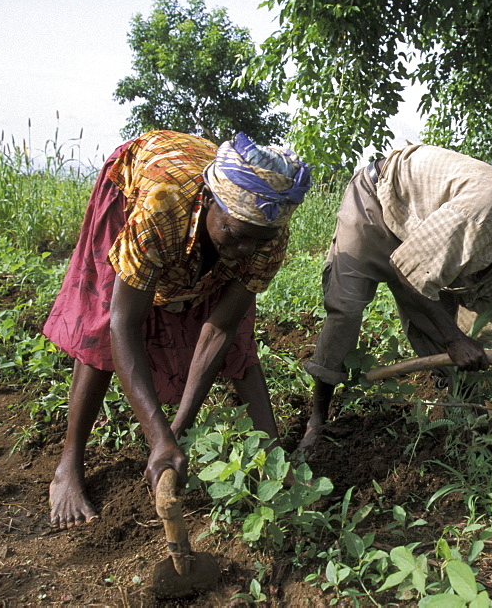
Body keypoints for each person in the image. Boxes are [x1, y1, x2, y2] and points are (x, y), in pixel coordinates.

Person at [44, 130, 310, 529]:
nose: (244, 252)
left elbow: (220, 330)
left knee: (239, 340)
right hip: (137, 184)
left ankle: (275, 459)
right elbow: (124, 323)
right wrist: (157, 436)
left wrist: (177, 427)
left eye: (259, 242)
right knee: (102, 328)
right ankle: (68, 465)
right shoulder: (159, 210)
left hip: (194, 210)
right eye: (236, 236)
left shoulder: (265, 236)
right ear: (210, 202)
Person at [300, 143, 492, 451]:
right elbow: (410, 271)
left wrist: (471, 346)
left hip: (422, 241)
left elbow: (489, 319)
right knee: (346, 309)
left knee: (439, 334)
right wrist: (455, 339)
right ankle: (317, 422)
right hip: (378, 203)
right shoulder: (485, 206)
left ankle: (462, 424)